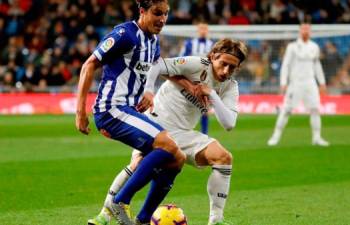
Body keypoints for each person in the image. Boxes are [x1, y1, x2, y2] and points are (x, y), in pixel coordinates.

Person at [89, 38, 248, 225]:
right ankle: (105, 214)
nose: (226, 71)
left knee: (223, 157)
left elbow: (229, 123)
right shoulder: (197, 64)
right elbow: (157, 65)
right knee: (138, 162)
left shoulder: (230, 86)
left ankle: (216, 220)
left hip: (183, 132)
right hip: (157, 122)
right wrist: (150, 90)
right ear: (213, 56)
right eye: (223, 64)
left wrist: (211, 94)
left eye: (232, 67)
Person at [76, 1, 186, 225]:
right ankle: (119, 202)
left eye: (166, 14)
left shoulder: (153, 41)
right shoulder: (125, 34)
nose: (162, 19)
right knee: (168, 145)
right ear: (142, 11)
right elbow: (89, 65)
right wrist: (80, 111)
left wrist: (148, 91)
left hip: (129, 110)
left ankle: (142, 219)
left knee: (177, 159)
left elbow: (155, 68)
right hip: (111, 110)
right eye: (157, 13)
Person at [267, 23, 330, 147]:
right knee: (286, 110)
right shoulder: (292, 47)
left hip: (310, 83)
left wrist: (322, 82)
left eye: (308, 29)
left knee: (315, 109)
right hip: (295, 84)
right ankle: (275, 137)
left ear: (310, 31)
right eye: (303, 29)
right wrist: (283, 82)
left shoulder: (314, 47)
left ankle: (317, 138)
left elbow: (317, 65)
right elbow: (285, 65)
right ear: (300, 31)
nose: (306, 31)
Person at [179, 22, 214, 135]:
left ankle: (204, 133)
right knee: (185, 106)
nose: (203, 31)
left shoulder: (212, 45)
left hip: (205, 80)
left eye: (205, 28)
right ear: (198, 30)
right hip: (190, 80)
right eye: (201, 29)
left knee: (204, 107)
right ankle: (183, 131)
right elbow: (181, 59)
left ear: (207, 30)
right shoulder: (189, 44)